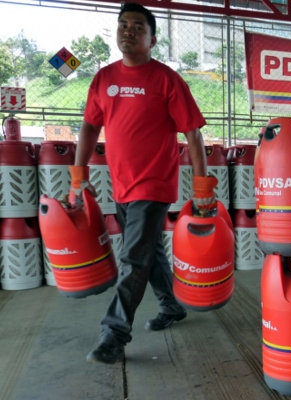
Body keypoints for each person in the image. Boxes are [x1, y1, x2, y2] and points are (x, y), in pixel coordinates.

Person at [71, 2, 218, 365]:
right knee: (149, 252)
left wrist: (202, 188)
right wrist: (79, 176)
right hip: (121, 184)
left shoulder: (166, 79)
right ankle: (171, 305)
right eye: (124, 25)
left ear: (152, 39)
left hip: (154, 184)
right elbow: (89, 126)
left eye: (139, 27)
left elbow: (193, 133)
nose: (129, 31)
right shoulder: (103, 79)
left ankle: (114, 334)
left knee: (133, 258)